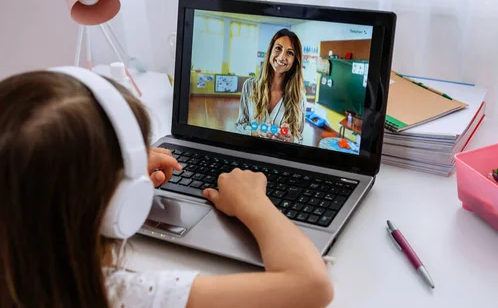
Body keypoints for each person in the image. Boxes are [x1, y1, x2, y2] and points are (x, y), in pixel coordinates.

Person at [0, 70, 334, 308]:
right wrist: (256, 205)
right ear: (121, 205)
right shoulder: (119, 295)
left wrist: (109, 167)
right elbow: (312, 286)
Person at [235, 28, 307, 143]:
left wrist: (291, 139)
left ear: (295, 60)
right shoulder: (249, 86)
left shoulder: (299, 97)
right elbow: (239, 126)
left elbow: (300, 137)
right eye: (278, 48)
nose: (282, 57)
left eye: (290, 52)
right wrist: (255, 132)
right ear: (270, 51)